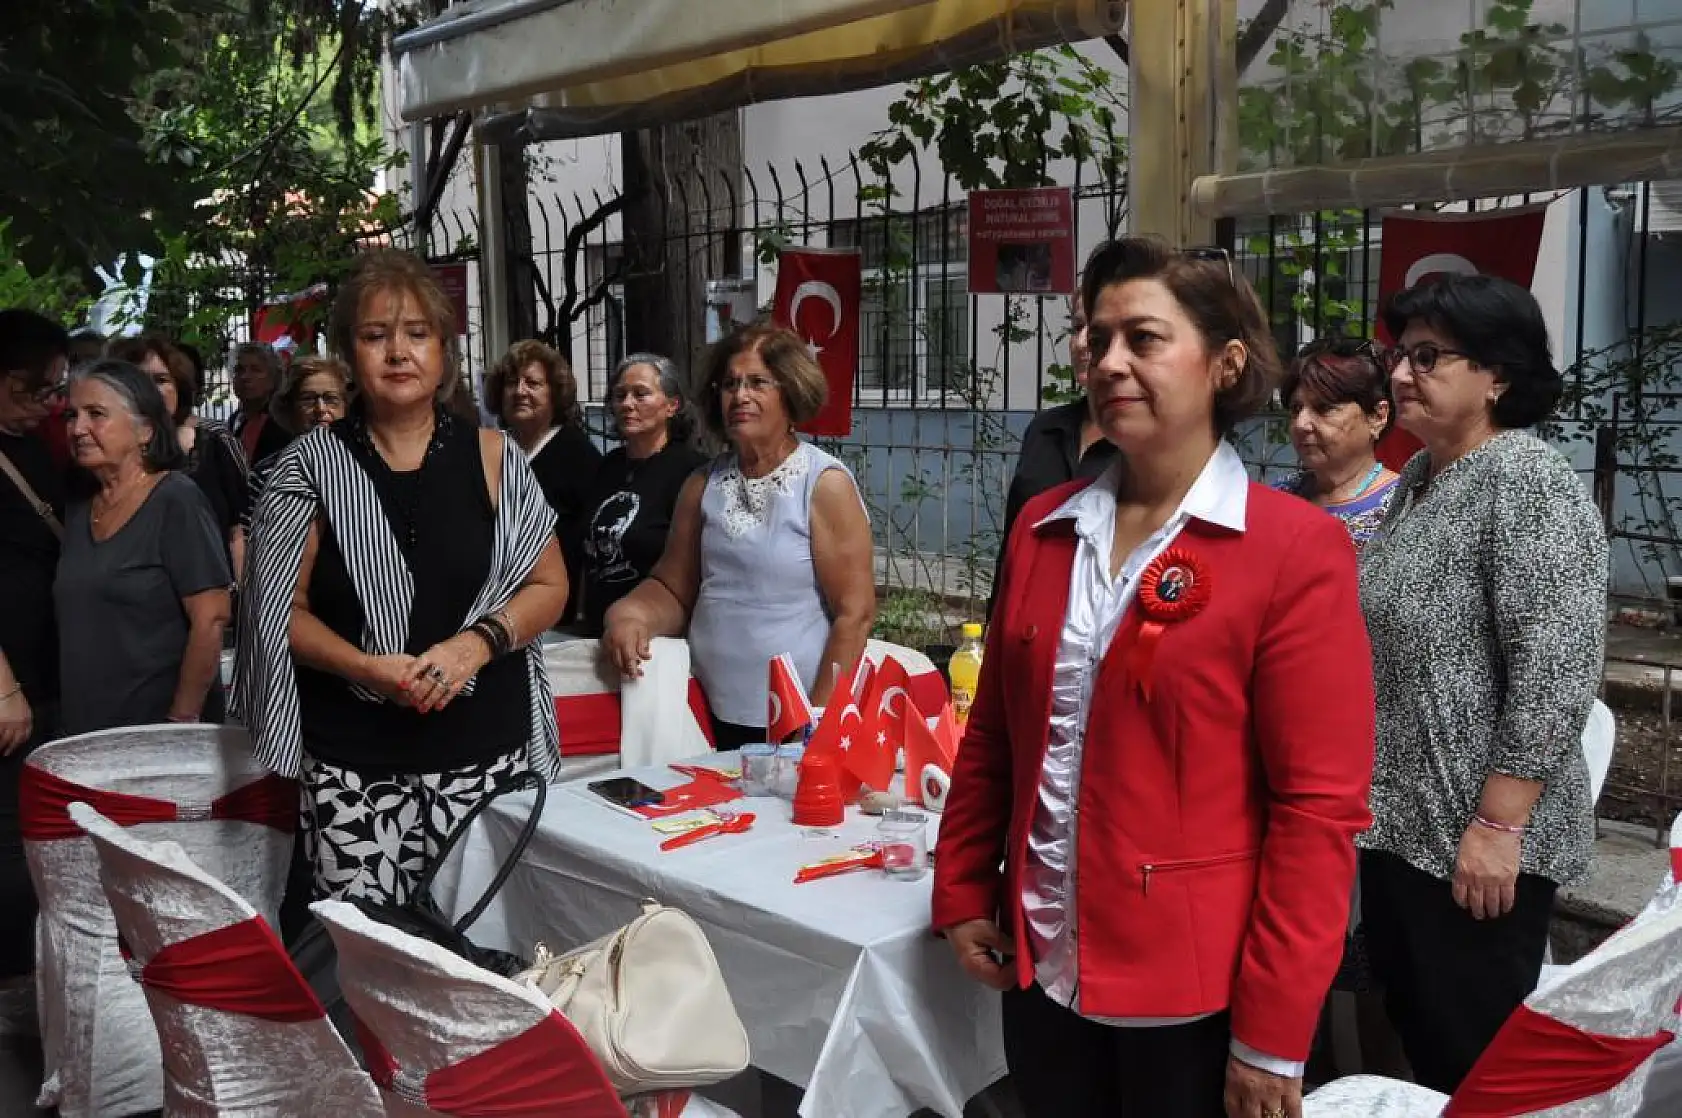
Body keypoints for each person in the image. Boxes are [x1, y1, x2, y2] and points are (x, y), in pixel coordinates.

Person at [932, 239, 1376, 1118]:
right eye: (1097, 341)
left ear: (1225, 362)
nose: (1111, 363)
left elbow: (1317, 809)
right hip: (1043, 965)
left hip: (1192, 995)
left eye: (1144, 338)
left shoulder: (1294, 550)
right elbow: (997, 733)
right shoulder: (1045, 528)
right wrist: (963, 888)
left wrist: (1273, 1035)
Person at [235, 250, 567, 906]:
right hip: (355, 766)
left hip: (486, 756)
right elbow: (279, 612)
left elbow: (549, 587)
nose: (398, 352)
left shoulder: (497, 457)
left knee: (482, 960)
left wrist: (474, 645)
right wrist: (365, 668)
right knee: (371, 959)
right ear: (348, 354)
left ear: (444, 349)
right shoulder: (305, 469)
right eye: (375, 335)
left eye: (417, 333)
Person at [1357, 274, 1608, 1095]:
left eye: (1428, 357)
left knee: (1472, 1061)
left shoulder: (1524, 478)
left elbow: (1558, 659)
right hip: (1405, 829)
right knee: (1423, 1038)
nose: (1400, 374)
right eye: (1400, 354)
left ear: (1496, 374)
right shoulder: (1424, 481)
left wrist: (1499, 826)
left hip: (1478, 845)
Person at [603, 323, 875, 749]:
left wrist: (819, 723)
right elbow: (673, 589)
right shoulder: (701, 485)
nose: (740, 396)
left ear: (790, 391)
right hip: (700, 714)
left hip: (798, 722)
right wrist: (631, 615)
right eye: (729, 384)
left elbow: (854, 614)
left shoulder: (823, 483)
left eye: (757, 383)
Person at [55, 360, 232, 736]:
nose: (78, 428)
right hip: (86, 729)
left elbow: (211, 619)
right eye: (72, 415)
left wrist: (181, 723)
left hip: (158, 734)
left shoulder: (175, 499)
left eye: (96, 414)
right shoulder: (78, 505)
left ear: (145, 430)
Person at [0, 309, 69, 988]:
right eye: (36, 389)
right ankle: (13, 979)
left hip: (46, 676)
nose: (48, 405)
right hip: (10, 686)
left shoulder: (36, 446)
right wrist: (4, 686)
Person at [579, 353, 706, 636]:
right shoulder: (608, 468)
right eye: (620, 395)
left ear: (672, 405)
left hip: (657, 634)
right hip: (596, 630)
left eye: (641, 394)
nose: (627, 404)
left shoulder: (691, 472)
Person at [486, 340, 601, 629]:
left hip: (554, 615)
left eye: (533, 383)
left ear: (555, 394)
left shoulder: (578, 456)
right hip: (492, 607)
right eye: (512, 383)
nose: (520, 391)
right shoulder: (492, 449)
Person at [110, 334, 249, 574]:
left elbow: (236, 533)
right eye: (139, 380)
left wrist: (241, 598)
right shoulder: (104, 456)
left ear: (179, 387)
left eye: (161, 380)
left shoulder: (214, 446)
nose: (151, 390)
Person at [1274, 337, 1401, 546]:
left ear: (1378, 417)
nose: (1301, 424)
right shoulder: (1280, 496)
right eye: (1296, 409)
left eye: (1324, 408)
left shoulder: (1402, 508)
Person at [237, 355, 351, 549]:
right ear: (289, 408)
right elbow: (248, 540)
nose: (320, 409)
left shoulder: (364, 465)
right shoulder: (266, 473)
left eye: (331, 399)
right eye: (308, 399)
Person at [230, 342, 291, 462]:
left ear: (273, 378)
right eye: (240, 369)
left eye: (256, 370)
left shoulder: (282, 422)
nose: (245, 377)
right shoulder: (235, 420)